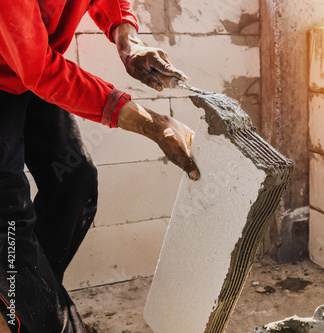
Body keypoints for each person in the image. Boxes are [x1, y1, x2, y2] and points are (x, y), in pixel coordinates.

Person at [0, 0, 200, 332]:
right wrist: (149, 122)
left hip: (23, 66)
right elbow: (38, 68)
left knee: (74, 182)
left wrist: (127, 42)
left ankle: (21, 308)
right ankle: (53, 321)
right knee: (8, 217)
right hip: (24, 61)